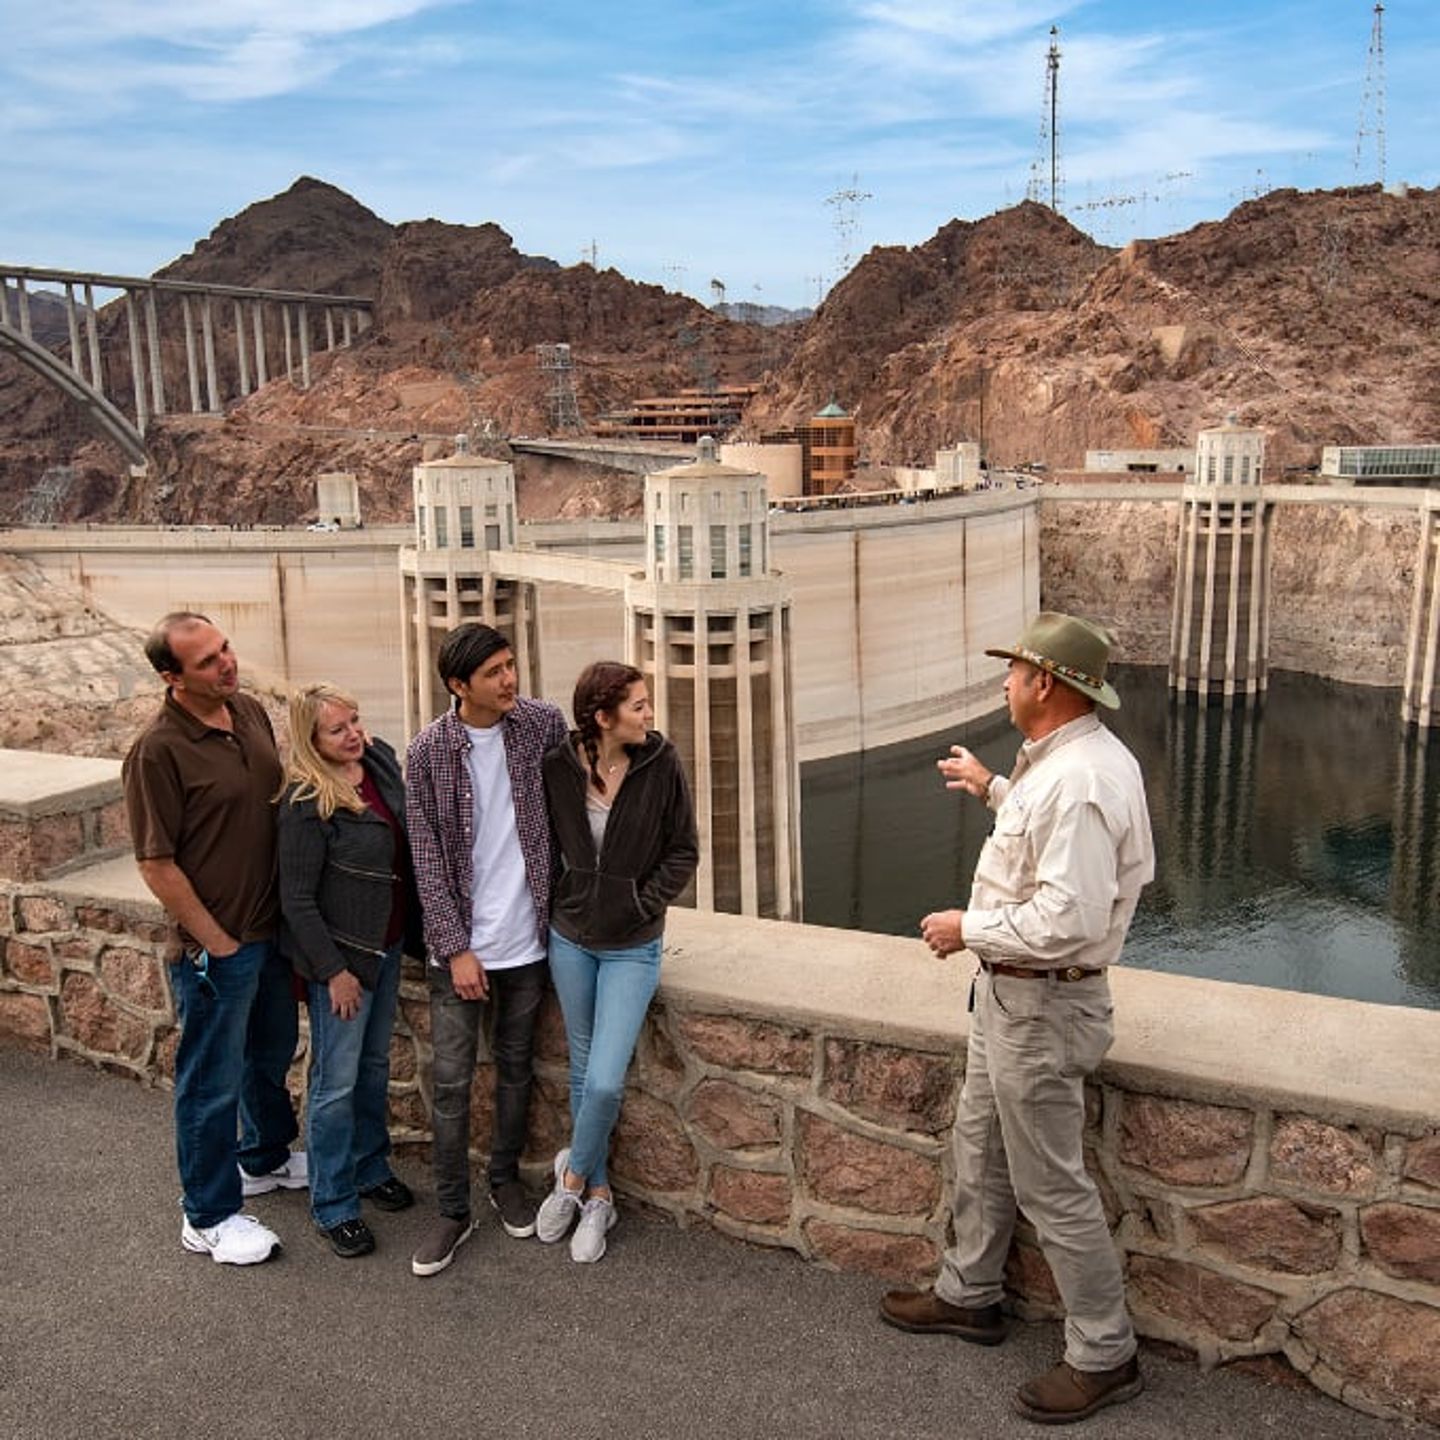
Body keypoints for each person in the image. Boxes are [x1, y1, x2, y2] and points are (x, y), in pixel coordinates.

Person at [879, 612, 1155, 1426]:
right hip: (1011, 998)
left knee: (1053, 1186)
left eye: (1013, 673)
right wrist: (992, 786)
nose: (1004, 684)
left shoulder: (1083, 782)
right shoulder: (1063, 766)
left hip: (1042, 1001)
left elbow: (1068, 915)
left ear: (1045, 684)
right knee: (983, 1147)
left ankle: (1106, 1354)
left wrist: (968, 930)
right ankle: (971, 1295)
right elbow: (1043, 844)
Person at [122, 612, 305, 1266]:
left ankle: (264, 1158)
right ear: (172, 678)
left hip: (269, 933)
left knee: (270, 1054)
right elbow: (156, 863)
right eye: (206, 661)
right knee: (209, 1084)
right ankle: (207, 1215)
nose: (226, 663)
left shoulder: (248, 711)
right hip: (216, 949)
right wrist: (217, 943)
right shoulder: (157, 750)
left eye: (225, 647)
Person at [405, 623, 568, 1277]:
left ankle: (504, 1181)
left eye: (511, 665)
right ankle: (451, 1210)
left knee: (516, 1069)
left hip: (529, 943)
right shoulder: (428, 754)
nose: (511, 680)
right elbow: (426, 859)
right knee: (450, 1084)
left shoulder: (541, 727)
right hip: (464, 951)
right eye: (496, 672)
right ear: (458, 684)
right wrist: (455, 948)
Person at [536, 661, 698, 1263]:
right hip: (571, 935)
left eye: (647, 703)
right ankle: (600, 1196)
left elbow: (684, 850)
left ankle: (571, 1178)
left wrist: (638, 902)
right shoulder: (558, 765)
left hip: (633, 943)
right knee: (582, 1072)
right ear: (602, 718)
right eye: (638, 706)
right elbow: (542, 840)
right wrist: (563, 894)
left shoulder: (662, 765)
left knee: (605, 1079)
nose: (649, 714)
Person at [276, 684, 422, 1258]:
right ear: (311, 741)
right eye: (337, 729)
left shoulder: (379, 760)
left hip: (385, 949)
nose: (353, 734)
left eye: (355, 721)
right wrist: (334, 973)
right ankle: (334, 1201)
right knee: (333, 1083)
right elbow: (297, 901)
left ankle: (368, 1166)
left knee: (373, 1067)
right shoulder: (304, 802)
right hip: (342, 964)